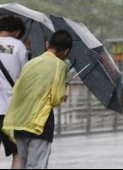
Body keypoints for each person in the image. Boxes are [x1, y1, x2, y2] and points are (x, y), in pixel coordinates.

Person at [2, 30, 72, 169]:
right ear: (66, 51)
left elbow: (17, 89)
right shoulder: (60, 65)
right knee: (37, 165)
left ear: (47, 44)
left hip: (20, 121)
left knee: (23, 163)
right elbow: (56, 99)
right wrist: (63, 88)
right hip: (40, 123)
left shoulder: (31, 62)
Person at [0, 15, 28, 169]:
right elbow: (25, 76)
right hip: (10, 109)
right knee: (17, 152)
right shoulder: (18, 46)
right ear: (17, 32)